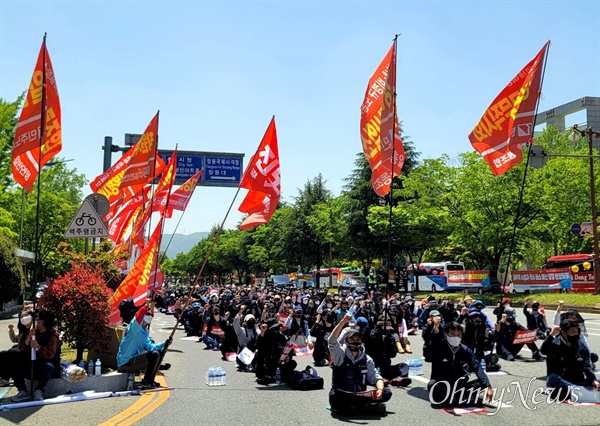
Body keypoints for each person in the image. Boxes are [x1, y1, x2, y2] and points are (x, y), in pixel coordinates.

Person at [328, 313, 391, 416]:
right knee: (336, 397)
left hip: (360, 395)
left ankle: (358, 407)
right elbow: (332, 340)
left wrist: (379, 389)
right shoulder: (340, 355)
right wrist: (343, 321)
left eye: (357, 339)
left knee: (386, 392)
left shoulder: (367, 359)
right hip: (342, 394)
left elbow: (376, 378)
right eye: (352, 339)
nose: (355, 341)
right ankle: (364, 408)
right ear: (346, 341)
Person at [426, 321, 493, 408]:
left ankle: (458, 399)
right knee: (433, 386)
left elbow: (477, 367)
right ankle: (462, 399)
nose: (456, 337)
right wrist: (435, 327)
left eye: (458, 334)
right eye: (452, 334)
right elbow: (434, 338)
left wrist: (488, 386)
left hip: (459, 385)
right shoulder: (439, 346)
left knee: (482, 383)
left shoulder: (465, 350)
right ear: (446, 335)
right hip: (442, 384)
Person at [540, 320, 600, 400]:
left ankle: (576, 391)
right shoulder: (555, 344)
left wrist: (593, 380)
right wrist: (551, 335)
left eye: (577, 332)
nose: (576, 334)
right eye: (573, 332)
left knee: (597, 380)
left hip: (577, 381)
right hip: (561, 381)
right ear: (564, 333)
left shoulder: (581, 347)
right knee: (552, 378)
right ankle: (577, 391)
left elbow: (586, 366)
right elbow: (543, 351)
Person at [12, 310, 62, 402]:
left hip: (49, 368)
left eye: (37, 319)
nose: (34, 320)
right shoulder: (35, 333)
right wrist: (29, 337)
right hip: (35, 365)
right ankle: (23, 391)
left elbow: (50, 354)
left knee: (48, 366)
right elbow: (22, 348)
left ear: (42, 322)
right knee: (15, 364)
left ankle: (39, 391)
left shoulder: (52, 336)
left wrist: (38, 347)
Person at [117, 306, 172, 389]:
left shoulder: (144, 332)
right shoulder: (134, 329)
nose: (150, 316)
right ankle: (146, 381)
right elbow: (137, 318)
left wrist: (164, 344)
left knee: (158, 352)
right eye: (148, 314)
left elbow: (150, 346)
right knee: (154, 355)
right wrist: (146, 306)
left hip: (133, 361)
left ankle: (150, 380)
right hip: (126, 363)